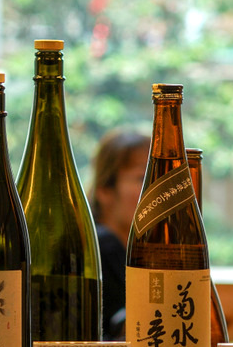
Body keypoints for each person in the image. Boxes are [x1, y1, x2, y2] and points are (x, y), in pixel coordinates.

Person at [90, 128, 149, 340]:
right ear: (104, 190)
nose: (155, 191)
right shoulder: (100, 247)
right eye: (143, 178)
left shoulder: (140, 253)